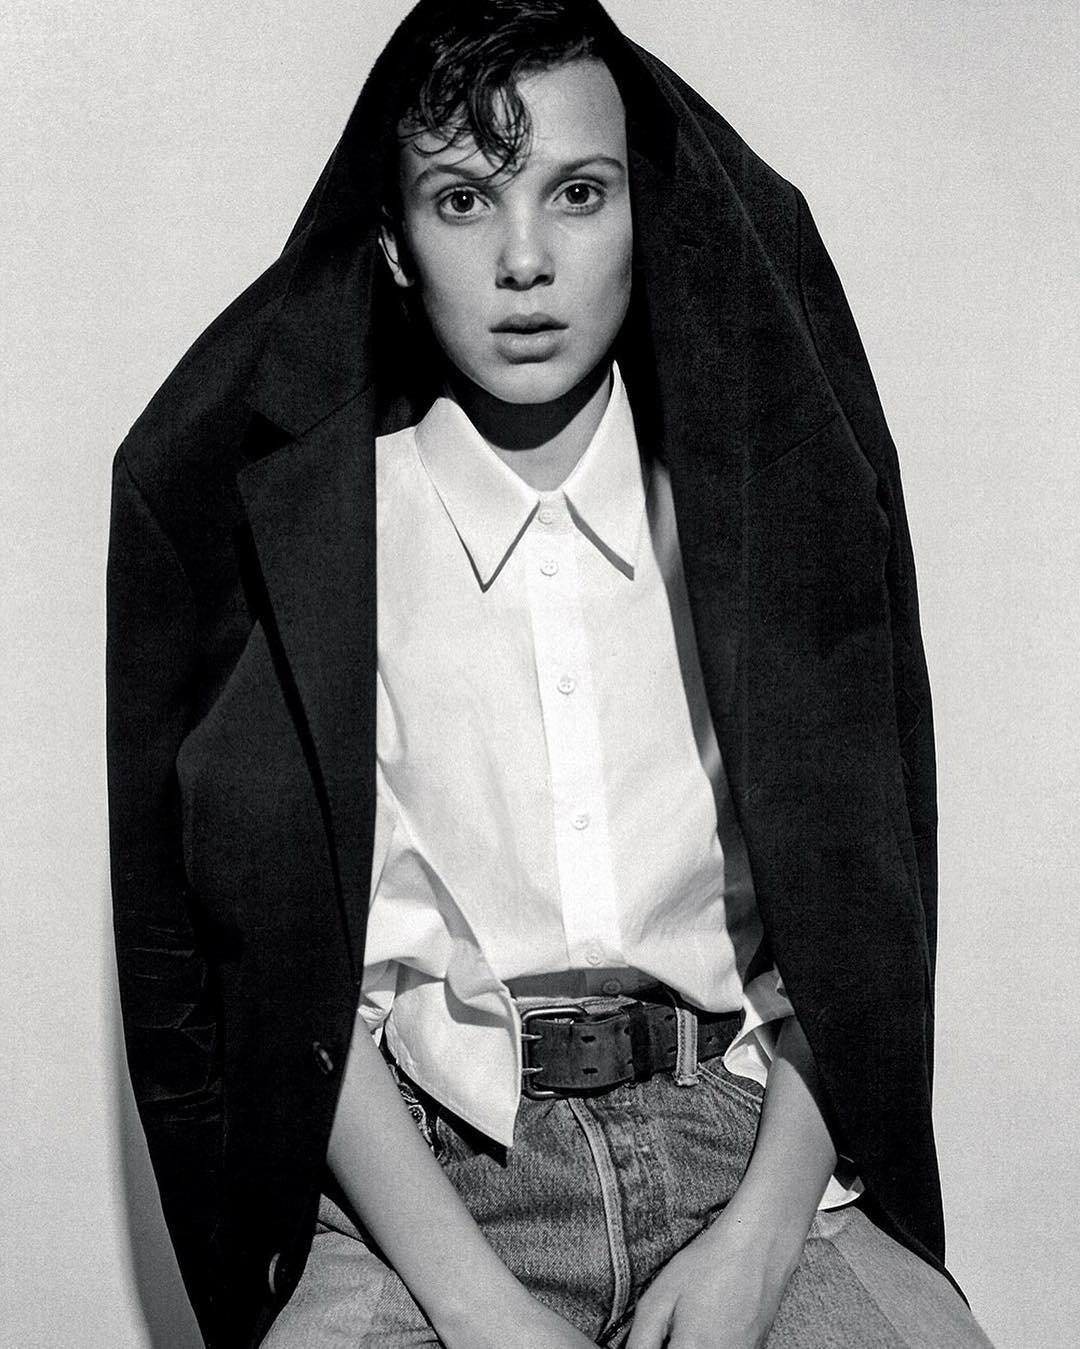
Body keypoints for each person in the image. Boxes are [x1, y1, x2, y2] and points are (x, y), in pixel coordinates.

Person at [106, 2, 995, 1347]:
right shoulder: (324, 533)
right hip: (428, 1184)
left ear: (646, 209)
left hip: (752, 1154)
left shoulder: (763, 507)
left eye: (578, 192)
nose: (525, 260)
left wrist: (760, 1244)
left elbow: (862, 913)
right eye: (465, 199)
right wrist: (477, 1307)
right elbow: (290, 984)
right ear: (393, 241)